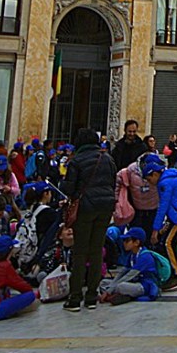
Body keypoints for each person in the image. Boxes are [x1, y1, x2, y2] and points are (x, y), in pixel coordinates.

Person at [58, 128, 116, 313]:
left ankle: (75, 298)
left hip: (85, 208)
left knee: (80, 252)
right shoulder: (107, 158)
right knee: (97, 250)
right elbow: (112, 182)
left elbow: (68, 188)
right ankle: (92, 296)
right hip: (106, 207)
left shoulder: (77, 160)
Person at [98, 228, 163, 303]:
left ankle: (118, 296)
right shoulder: (132, 255)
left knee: (121, 286)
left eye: (127, 241)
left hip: (144, 286)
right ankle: (120, 296)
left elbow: (128, 276)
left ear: (136, 242)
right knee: (103, 283)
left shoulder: (145, 256)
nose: (124, 243)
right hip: (133, 282)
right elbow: (122, 273)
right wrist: (110, 288)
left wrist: (108, 291)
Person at [117, 150, 162, 234]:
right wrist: (116, 200)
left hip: (154, 209)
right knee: (136, 233)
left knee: (150, 233)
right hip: (137, 210)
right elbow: (118, 181)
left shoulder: (160, 171)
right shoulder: (131, 170)